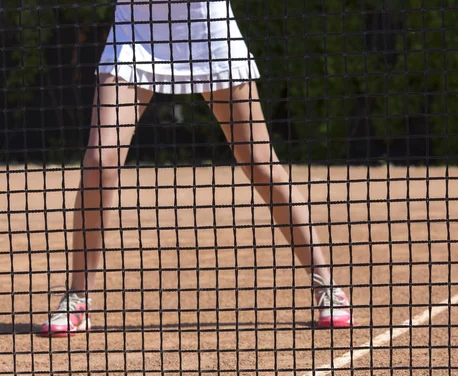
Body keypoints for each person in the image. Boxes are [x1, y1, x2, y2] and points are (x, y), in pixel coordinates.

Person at [40, 0, 353, 337]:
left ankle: (326, 285)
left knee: (261, 164)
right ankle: (77, 297)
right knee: (99, 161)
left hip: (207, 28)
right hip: (136, 29)